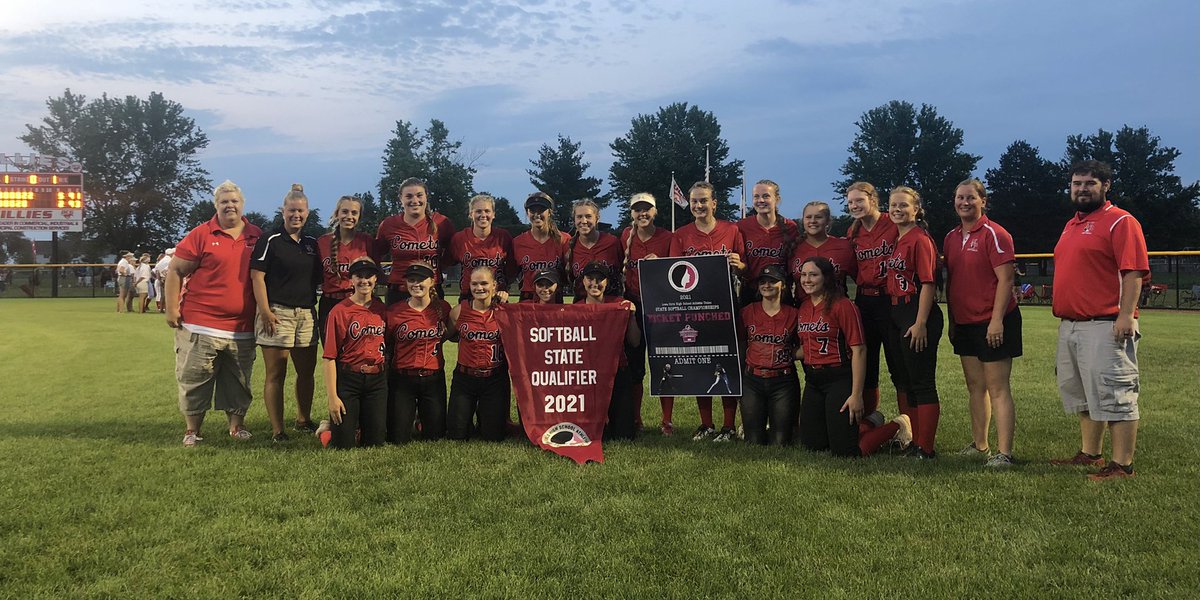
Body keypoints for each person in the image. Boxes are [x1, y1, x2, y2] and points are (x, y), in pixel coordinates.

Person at [1050, 160, 1148, 481]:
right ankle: (1091, 453)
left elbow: (1132, 271)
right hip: (1072, 323)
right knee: (1083, 394)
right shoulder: (1071, 224)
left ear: (1106, 185)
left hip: (1105, 323)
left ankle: (1123, 465)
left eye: (1090, 183)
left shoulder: (1121, 221)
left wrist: (1126, 314)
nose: (1082, 189)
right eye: (1076, 183)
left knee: (1115, 393)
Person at [165, 180, 263, 446]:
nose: (230, 206)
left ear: (242, 205)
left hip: (242, 326)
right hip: (200, 323)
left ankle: (237, 426)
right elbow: (175, 270)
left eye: (234, 201)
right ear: (216, 205)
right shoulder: (201, 234)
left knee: (239, 380)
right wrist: (172, 308)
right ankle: (192, 430)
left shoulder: (256, 236)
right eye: (224, 202)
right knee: (195, 378)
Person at [796, 257, 911, 457]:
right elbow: (807, 346)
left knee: (847, 452)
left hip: (838, 378)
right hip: (814, 380)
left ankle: (897, 425)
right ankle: (870, 422)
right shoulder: (804, 307)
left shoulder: (842, 305)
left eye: (813, 274)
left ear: (826, 277)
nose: (807, 279)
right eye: (804, 274)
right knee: (814, 444)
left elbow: (859, 350)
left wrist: (856, 395)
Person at [943, 179, 1022, 467]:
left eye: (970, 198)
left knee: (997, 387)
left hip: (993, 321)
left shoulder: (995, 233)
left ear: (983, 201)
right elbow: (952, 283)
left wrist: (996, 321)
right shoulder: (951, 237)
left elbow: (1006, 279)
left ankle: (1005, 453)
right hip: (965, 321)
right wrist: (953, 321)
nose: (964, 202)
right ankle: (980, 445)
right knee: (975, 386)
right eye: (959, 197)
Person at [668, 181, 746, 442]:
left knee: (726, 362)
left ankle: (728, 425)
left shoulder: (731, 230)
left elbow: (743, 266)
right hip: (694, 309)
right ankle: (706, 424)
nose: (699, 206)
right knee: (701, 363)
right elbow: (674, 275)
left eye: (704, 201)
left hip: (725, 306)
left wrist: (738, 264)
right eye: (694, 202)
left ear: (714, 203)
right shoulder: (681, 234)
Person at [250, 183, 322, 442]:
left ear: (307, 212)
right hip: (277, 312)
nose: (296, 215)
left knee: (306, 372)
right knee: (276, 373)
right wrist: (265, 311)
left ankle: (304, 419)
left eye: (301, 211)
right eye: (292, 210)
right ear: (283, 211)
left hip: (305, 313)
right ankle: (277, 429)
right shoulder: (270, 240)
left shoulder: (312, 244)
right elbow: (257, 277)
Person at [885, 186, 944, 459]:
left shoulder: (919, 238)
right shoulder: (900, 238)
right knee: (907, 381)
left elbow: (928, 283)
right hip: (899, 312)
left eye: (903, 205)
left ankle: (926, 447)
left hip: (916, 312)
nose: (897, 209)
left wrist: (920, 323)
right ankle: (915, 442)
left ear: (916, 209)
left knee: (921, 382)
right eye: (893, 205)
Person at [845, 182, 910, 427]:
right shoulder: (853, 232)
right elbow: (852, 267)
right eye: (850, 202)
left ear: (873, 199)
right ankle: (869, 419)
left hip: (890, 298)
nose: (854, 205)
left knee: (898, 363)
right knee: (866, 362)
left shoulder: (892, 224)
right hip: (865, 300)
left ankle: (908, 424)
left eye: (859, 200)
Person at [619, 193, 673, 433]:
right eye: (637, 209)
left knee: (664, 364)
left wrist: (661, 263)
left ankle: (667, 420)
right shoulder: (625, 236)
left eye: (647, 209)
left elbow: (679, 272)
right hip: (635, 305)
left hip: (662, 305)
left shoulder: (667, 238)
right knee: (635, 366)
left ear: (655, 211)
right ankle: (636, 418)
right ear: (632, 213)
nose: (642, 213)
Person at [321, 259, 388, 449]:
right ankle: (327, 430)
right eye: (359, 276)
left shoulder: (381, 309)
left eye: (369, 276)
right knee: (343, 445)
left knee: (375, 443)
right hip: (349, 378)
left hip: (376, 379)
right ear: (351, 280)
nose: (364, 281)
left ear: (375, 279)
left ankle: (358, 427)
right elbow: (329, 357)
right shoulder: (340, 311)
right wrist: (332, 397)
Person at [385, 263, 452, 442]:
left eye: (421, 280)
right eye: (411, 280)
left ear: (432, 281)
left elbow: (450, 334)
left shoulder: (443, 308)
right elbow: (387, 344)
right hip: (402, 379)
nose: (416, 284)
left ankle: (420, 421)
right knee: (397, 438)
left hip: (433, 378)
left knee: (435, 437)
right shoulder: (394, 312)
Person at [578, 261, 641, 441]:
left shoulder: (618, 304)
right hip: (587, 375)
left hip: (616, 371)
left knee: (624, 435)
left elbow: (635, 342)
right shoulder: (575, 310)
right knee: (593, 434)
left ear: (606, 282)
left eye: (600, 279)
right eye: (590, 279)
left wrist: (632, 316)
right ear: (583, 281)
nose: (595, 284)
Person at [446, 267, 510, 441]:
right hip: (465, 378)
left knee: (493, 436)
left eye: (484, 283)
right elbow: (444, 337)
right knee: (456, 435)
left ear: (494, 285)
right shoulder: (459, 311)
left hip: (494, 379)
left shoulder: (504, 312)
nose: (479, 288)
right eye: (475, 284)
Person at [739, 264, 799, 445]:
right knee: (754, 441)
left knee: (780, 442)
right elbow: (741, 342)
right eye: (763, 282)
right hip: (753, 380)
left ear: (783, 285)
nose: (767, 285)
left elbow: (807, 345)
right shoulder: (747, 311)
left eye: (772, 281)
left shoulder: (794, 314)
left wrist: (788, 353)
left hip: (783, 382)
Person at [376, 177, 456, 305]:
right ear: (401, 198)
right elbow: (375, 254)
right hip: (399, 292)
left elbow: (454, 252)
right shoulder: (389, 224)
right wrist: (383, 277)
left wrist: (439, 267)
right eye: (409, 196)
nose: (415, 200)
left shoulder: (442, 222)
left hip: (431, 290)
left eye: (419, 195)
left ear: (426, 197)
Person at [317, 195, 377, 341]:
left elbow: (376, 272)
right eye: (344, 211)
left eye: (354, 213)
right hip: (330, 303)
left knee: (358, 353)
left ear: (359, 216)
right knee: (332, 353)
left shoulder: (366, 241)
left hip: (358, 301)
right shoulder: (322, 242)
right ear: (337, 213)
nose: (349, 216)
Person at [736, 180, 799, 306]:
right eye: (756, 196)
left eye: (766, 196)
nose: (761, 200)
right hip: (752, 291)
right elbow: (740, 265)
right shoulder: (742, 226)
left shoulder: (790, 227)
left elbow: (793, 261)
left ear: (777, 199)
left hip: (781, 291)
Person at [447, 194, 515, 303]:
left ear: (493, 214)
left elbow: (513, 268)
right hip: (469, 296)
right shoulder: (459, 238)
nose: (483, 215)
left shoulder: (503, 237)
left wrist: (505, 288)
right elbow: (447, 262)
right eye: (478, 211)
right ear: (471, 214)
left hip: (497, 296)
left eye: (487, 211)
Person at [789, 201, 857, 302]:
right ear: (802, 220)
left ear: (828, 221)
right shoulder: (793, 248)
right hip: (803, 309)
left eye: (818, 217)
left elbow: (860, 279)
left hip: (836, 308)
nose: (813, 221)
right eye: (808, 217)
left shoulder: (844, 246)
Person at [512, 192, 570, 302]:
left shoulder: (564, 240)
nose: (537, 214)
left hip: (553, 298)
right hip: (528, 299)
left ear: (550, 212)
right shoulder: (518, 242)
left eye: (541, 210)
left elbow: (569, 273)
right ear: (527, 213)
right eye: (533, 211)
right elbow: (510, 273)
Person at [564, 198, 623, 301]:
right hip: (582, 306)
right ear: (574, 220)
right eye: (579, 217)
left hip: (611, 304)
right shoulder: (569, 246)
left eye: (588, 216)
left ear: (597, 218)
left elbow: (625, 271)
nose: (584, 221)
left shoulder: (612, 242)